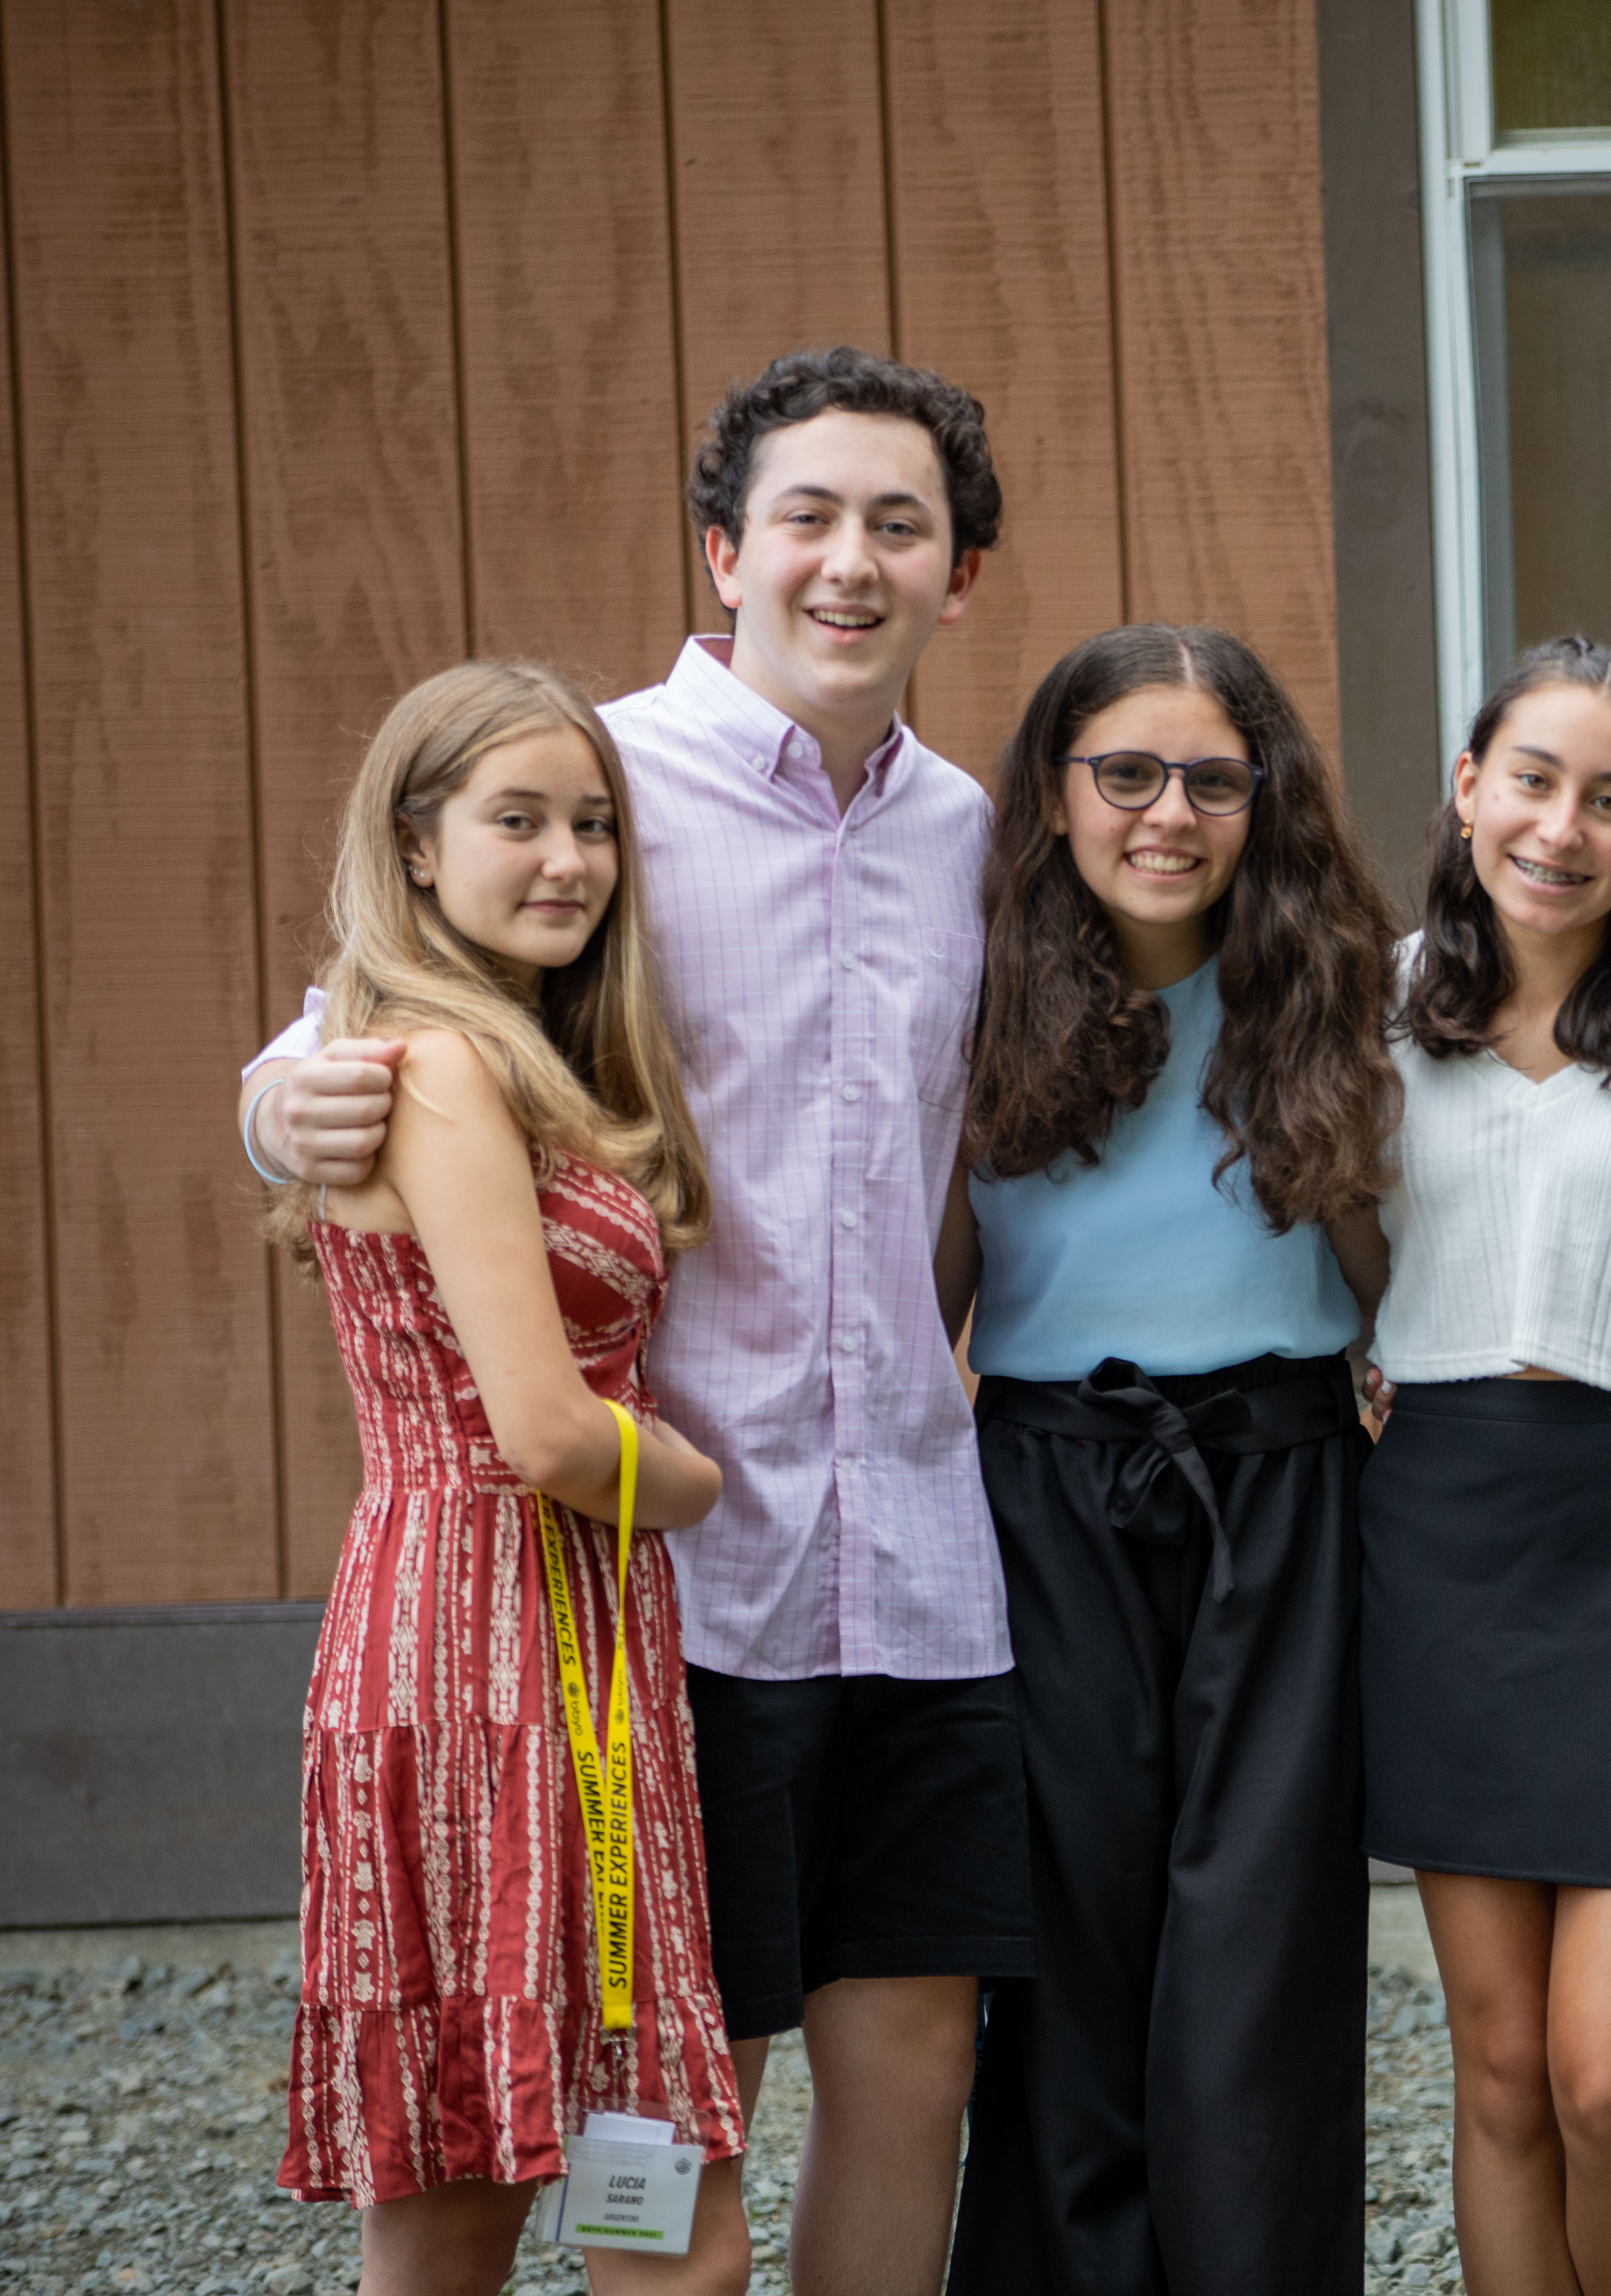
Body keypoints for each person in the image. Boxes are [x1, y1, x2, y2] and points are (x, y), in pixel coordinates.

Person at [243, 347, 1025, 2296]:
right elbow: (358, 1022)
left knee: (916, 2065)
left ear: (957, 579)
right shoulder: (597, 789)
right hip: (677, 1576)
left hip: (922, 1565)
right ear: (725, 551)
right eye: (807, 517)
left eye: (900, 526)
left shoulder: (971, 835)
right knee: (676, 2092)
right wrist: (275, 1107)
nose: (850, 561)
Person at [269, 662, 741, 2294]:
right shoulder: (444, 1069)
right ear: (414, 844)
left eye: (594, 825)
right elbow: (543, 1432)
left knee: (521, 2176)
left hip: (540, 1631)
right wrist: (700, 1486)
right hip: (494, 1638)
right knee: (617, 2219)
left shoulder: (503, 1054)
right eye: (518, 821)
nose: (568, 860)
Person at [939, 623, 1397, 2295]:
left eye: (1214, 779)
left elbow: (1390, 1275)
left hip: (1279, 1482)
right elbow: (927, 1298)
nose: (1169, 815)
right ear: (1057, 793)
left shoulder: (1335, 985)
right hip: (1047, 1488)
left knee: (1259, 1947)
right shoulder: (973, 993)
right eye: (1126, 774)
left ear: (1265, 799)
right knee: (1068, 1942)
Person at [1361, 636, 1611, 2296]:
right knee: (1504, 2071)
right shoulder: (1374, 1008)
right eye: (1532, 782)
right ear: (1470, 788)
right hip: (1441, 1530)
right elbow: (1315, 1235)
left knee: (1608, 2076)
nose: (1561, 829)